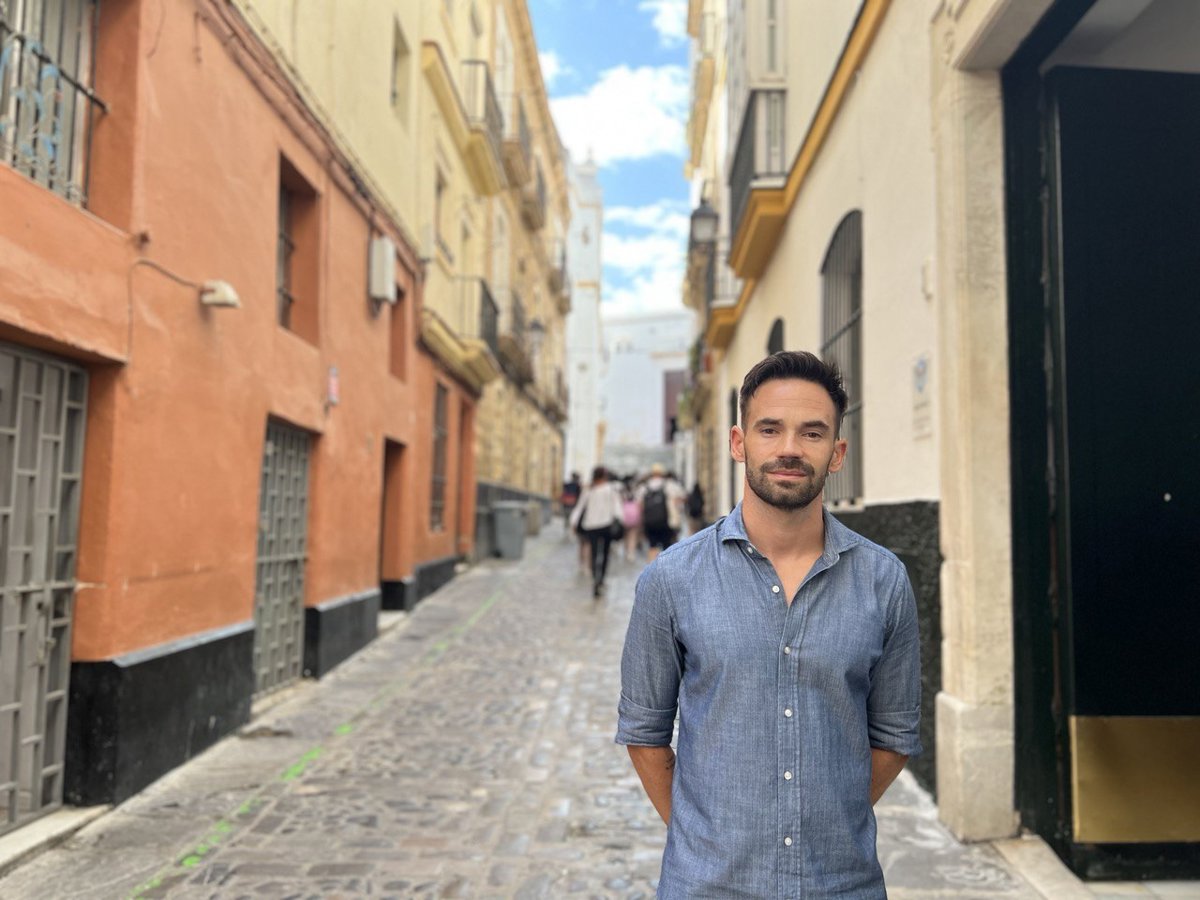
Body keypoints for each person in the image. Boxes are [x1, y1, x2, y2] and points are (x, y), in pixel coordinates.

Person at [616, 351, 922, 899]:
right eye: (769, 429)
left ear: (837, 453)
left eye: (812, 432)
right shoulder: (671, 579)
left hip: (841, 886)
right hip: (706, 887)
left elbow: (894, 738)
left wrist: (824, 824)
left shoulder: (883, 580)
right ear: (739, 444)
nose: (789, 449)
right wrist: (708, 841)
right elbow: (644, 734)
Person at [569, 466, 625, 598]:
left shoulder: (589, 490)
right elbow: (617, 508)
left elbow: (579, 508)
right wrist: (620, 521)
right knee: (604, 553)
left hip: (591, 526)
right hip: (606, 525)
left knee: (594, 553)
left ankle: (595, 578)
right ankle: (601, 579)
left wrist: (573, 522)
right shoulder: (611, 490)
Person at [636, 463, 686, 562]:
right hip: (666, 521)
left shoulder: (644, 486)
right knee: (667, 546)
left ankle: (651, 566)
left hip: (650, 522)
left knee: (652, 546)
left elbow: (639, 504)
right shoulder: (670, 485)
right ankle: (666, 567)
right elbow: (682, 497)